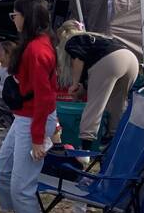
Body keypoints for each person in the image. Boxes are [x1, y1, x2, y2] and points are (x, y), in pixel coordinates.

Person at [0, 0, 58, 213]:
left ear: (26, 17)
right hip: (25, 117)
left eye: (15, 14)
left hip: (34, 119)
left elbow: (45, 97)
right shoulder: (33, 45)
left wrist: (38, 137)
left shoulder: (37, 50)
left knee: (22, 182)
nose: (13, 19)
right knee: (2, 170)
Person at [58, 21, 139, 149]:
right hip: (131, 60)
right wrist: (81, 89)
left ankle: (86, 148)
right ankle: (113, 143)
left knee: (94, 107)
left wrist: (74, 84)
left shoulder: (73, 41)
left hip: (111, 61)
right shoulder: (94, 40)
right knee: (117, 104)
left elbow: (78, 59)